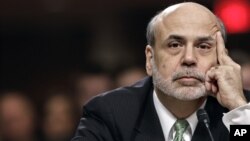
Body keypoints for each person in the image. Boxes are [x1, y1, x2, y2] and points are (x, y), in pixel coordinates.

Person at [71, 2, 250, 141]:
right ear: (150, 59)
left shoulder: (243, 112)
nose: (189, 58)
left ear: (221, 58)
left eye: (203, 46)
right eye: (175, 45)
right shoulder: (110, 113)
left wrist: (238, 108)